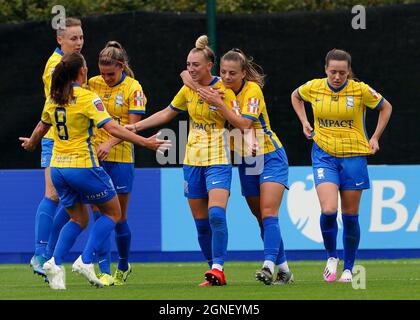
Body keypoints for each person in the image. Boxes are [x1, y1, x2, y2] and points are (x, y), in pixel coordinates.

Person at [20, 52, 170, 290]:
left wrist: (31, 143)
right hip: (82, 166)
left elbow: (41, 126)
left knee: (78, 218)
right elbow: (112, 127)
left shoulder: (54, 97)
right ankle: (86, 260)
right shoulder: (88, 97)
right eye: (87, 67)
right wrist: (145, 143)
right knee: (113, 213)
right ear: (81, 72)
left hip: (58, 168)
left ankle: (54, 262)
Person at [126, 35, 237, 286]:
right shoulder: (188, 88)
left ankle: (218, 267)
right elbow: (167, 112)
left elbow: (237, 120)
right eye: (188, 65)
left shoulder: (224, 90)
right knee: (201, 224)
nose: (190, 69)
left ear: (209, 65)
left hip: (218, 159)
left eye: (195, 65)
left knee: (217, 214)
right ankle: (213, 272)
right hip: (191, 160)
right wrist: (135, 128)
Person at [193, 48, 294, 285]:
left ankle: (268, 266)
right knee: (261, 217)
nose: (227, 77)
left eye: (232, 73)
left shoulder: (252, 90)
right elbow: (187, 77)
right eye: (223, 72)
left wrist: (219, 103)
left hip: (269, 155)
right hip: (246, 160)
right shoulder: (220, 88)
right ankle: (285, 270)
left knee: (269, 213)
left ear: (244, 73)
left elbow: (244, 123)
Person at [290, 48, 392, 282]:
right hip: (324, 154)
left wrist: (375, 137)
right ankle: (331, 257)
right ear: (326, 69)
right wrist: (305, 121)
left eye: (342, 73)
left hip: (354, 156)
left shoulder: (360, 90)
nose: (337, 77)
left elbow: (386, 107)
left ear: (348, 73)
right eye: (333, 72)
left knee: (350, 216)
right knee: (328, 210)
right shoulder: (314, 87)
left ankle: (348, 267)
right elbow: (295, 95)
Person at [87, 41, 146, 286]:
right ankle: (103, 271)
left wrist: (110, 143)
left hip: (121, 157)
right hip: (94, 158)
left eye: (110, 73)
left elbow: (131, 126)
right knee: (99, 216)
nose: (106, 77)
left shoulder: (134, 88)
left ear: (121, 66)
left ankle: (123, 264)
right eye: (102, 73)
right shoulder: (92, 84)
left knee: (118, 217)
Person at [30, 17, 84, 278]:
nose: (79, 42)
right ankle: (40, 253)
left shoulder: (75, 63)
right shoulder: (57, 65)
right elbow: (59, 101)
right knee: (52, 194)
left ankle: (48, 252)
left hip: (73, 138)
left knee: (73, 199)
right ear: (59, 39)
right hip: (55, 137)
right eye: (73, 38)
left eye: (81, 37)